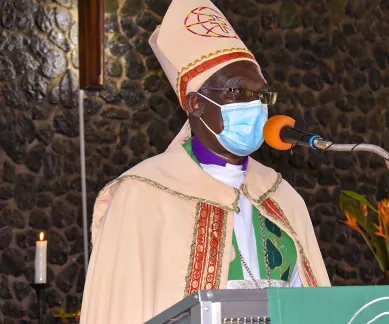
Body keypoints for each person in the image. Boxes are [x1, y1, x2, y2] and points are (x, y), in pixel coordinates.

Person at [79, 0, 330, 322]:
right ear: (196, 103)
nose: (254, 106)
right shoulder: (143, 193)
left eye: (261, 96)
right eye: (238, 92)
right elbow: (120, 305)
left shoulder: (281, 196)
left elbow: (310, 302)